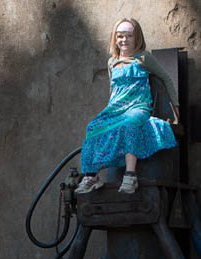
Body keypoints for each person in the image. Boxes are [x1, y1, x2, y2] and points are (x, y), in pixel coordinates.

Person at [75, 18, 179, 195]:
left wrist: (175, 107)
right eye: (120, 36)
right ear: (115, 39)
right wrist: (109, 114)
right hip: (116, 108)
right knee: (93, 127)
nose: (124, 40)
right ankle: (93, 176)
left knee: (129, 124)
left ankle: (130, 176)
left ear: (136, 37)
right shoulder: (112, 62)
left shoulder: (144, 58)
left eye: (129, 36)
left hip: (138, 106)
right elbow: (113, 89)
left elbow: (166, 78)